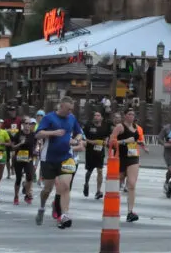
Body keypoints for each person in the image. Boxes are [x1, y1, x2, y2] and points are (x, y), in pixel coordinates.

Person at [35, 96, 85, 229]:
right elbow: (38, 134)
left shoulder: (72, 118)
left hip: (66, 157)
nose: (70, 112)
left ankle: (64, 215)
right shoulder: (49, 118)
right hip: (49, 158)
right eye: (68, 109)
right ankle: (41, 207)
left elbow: (79, 133)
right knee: (47, 189)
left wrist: (76, 139)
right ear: (61, 106)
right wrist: (53, 133)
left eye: (71, 109)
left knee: (65, 186)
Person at [110, 107, 142, 222]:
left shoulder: (136, 128)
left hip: (133, 157)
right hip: (120, 158)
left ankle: (130, 211)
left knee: (132, 184)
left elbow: (135, 140)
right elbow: (110, 143)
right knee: (117, 183)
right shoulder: (120, 127)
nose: (131, 116)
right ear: (124, 116)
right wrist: (124, 141)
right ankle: (112, 207)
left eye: (133, 114)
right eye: (129, 114)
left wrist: (140, 143)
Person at [83, 111, 111, 200]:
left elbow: (107, 135)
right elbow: (83, 138)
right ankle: (86, 184)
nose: (96, 117)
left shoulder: (105, 126)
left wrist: (106, 140)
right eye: (95, 115)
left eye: (98, 115)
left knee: (100, 171)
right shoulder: (88, 126)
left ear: (101, 118)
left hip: (100, 152)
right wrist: (92, 142)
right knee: (89, 171)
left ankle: (98, 191)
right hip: (90, 152)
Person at [11, 118, 37, 205]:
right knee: (18, 178)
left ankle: (27, 194)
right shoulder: (18, 134)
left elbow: (35, 146)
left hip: (28, 159)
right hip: (18, 159)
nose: (28, 125)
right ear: (23, 124)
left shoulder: (33, 135)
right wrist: (20, 143)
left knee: (30, 177)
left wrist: (35, 151)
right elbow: (13, 147)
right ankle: (16, 196)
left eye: (30, 124)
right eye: (26, 123)